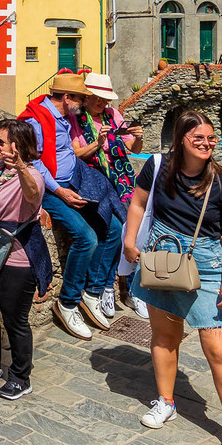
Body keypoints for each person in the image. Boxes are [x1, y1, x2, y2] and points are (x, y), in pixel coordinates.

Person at [120, 107, 222, 445]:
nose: (206, 144)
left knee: (219, 351)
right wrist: (130, 241)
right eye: (198, 138)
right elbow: (138, 202)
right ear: (181, 140)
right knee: (164, 336)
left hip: (207, 265)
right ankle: (166, 401)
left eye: (210, 138)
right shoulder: (158, 166)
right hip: (163, 256)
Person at [0, 119, 51, 401]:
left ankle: (20, 376)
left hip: (18, 255)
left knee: (15, 319)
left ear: (18, 146)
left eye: (0, 141)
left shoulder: (32, 174)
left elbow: (33, 194)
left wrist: (21, 166)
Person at [23, 79, 106, 342]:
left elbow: (67, 154)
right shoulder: (38, 121)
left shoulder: (62, 118)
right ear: (68, 97)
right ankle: (67, 303)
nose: (84, 104)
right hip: (51, 191)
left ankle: (91, 293)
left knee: (112, 226)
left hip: (72, 182)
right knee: (86, 238)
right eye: (81, 99)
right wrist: (60, 192)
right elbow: (34, 163)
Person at [79, 76, 141, 321]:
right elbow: (76, 154)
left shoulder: (114, 115)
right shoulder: (77, 119)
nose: (100, 101)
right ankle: (104, 287)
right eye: (96, 97)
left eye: (104, 98)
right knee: (115, 229)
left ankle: (128, 288)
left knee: (134, 229)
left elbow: (133, 149)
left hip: (122, 179)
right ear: (86, 96)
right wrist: (98, 143)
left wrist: (139, 136)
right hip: (96, 179)